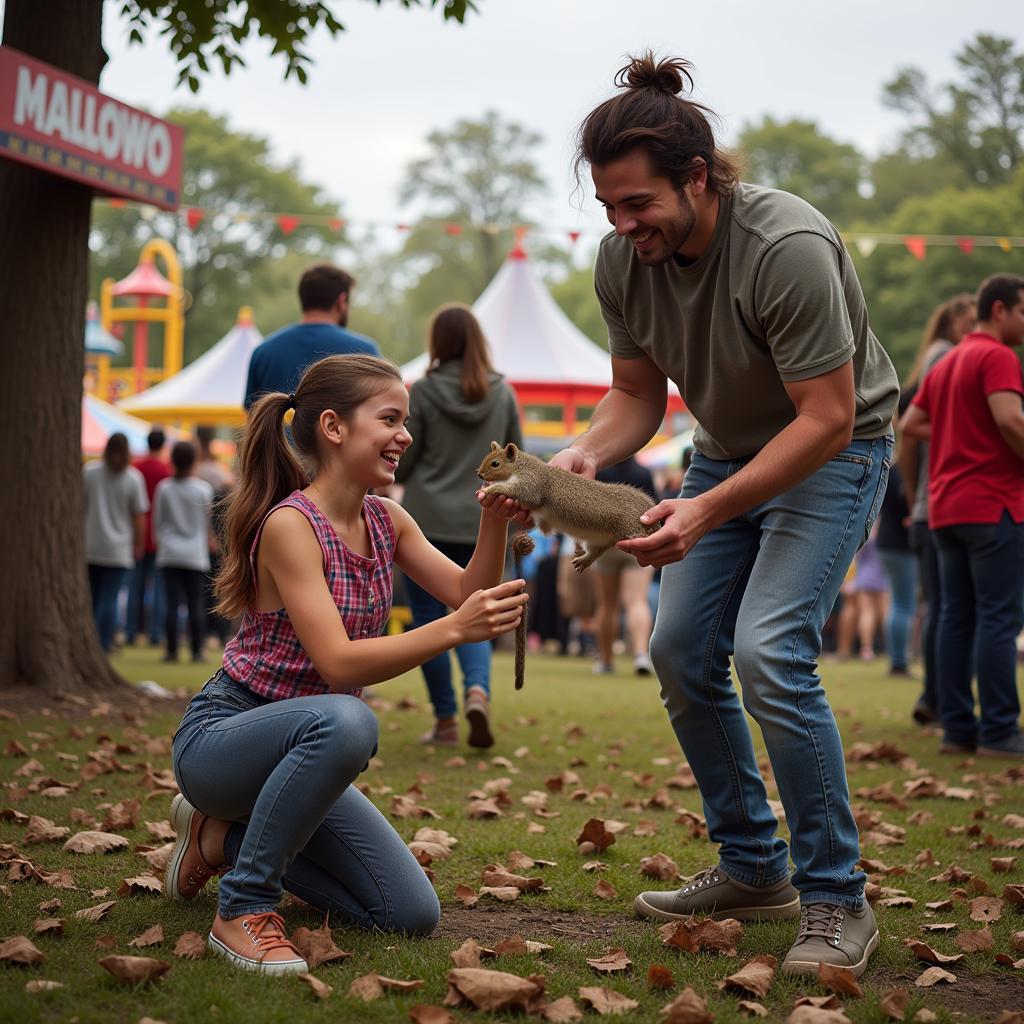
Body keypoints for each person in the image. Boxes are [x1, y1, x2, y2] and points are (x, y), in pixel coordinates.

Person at [553, 53, 899, 977]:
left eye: (639, 206)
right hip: (723, 454)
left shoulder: (784, 247)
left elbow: (825, 417)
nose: (625, 228)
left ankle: (837, 899)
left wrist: (703, 508)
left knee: (770, 651)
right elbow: (635, 395)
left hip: (836, 450)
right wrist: (589, 451)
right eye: (610, 209)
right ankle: (753, 867)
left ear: (697, 179)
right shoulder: (623, 264)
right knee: (675, 651)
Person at [166, 354, 527, 974]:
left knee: (410, 914)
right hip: (225, 740)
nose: (405, 435)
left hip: (307, 750)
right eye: (390, 418)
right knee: (349, 721)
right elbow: (337, 664)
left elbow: (467, 590)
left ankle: (218, 839)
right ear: (334, 428)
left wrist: (491, 522)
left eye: (405, 420)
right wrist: (453, 631)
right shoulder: (290, 525)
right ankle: (244, 908)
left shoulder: (386, 519)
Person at [900, 274, 1024, 759]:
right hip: (993, 502)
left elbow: (911, 423)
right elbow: (1012, 419)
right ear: (999, 310)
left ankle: (956, 729)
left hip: (947, 508)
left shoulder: (949, 360)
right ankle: (998, 731)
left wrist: (958, 434)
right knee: (997, 618)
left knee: (955, 616)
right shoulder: (997, 356)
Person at [393, 304, 523, 748]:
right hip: (484, 518)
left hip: (426, 518)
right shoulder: (503, 393)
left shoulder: (423, 391)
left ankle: (446, 721)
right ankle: (477, 690)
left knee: (428, 620)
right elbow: (513, 459)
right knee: (478, 611)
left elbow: (405, 460)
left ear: (439, 343)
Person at [899, 294, 976, 723]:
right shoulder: (945, 358)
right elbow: (912, 433)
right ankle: (942, 698)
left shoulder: (937, 357)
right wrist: (915, 496)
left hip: (932, 500)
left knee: (941, 604)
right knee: (949, 606)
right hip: (942, 499)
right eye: (969, 323)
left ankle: (937, 697)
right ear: (952, 325)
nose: (974, 331)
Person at [243, 263, 380, 409]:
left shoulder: (263, 352)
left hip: (275, 433)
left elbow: (251, 413)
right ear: (341, 301)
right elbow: (378, 409)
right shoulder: (365, 352)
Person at [592, 455, 658, 675]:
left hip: (605, 544)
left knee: (607, 605)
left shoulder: (601, 472)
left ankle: (606, 661)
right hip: (637, 541)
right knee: (637, 600)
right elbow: (652, 509)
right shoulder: (643, 473)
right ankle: (640, 654)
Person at [84, 433, 149, 653]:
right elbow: (138, 517)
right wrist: (138, 545)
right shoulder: (133, 478)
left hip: (90, 545)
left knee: (92, 598)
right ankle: (104, 642)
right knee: (110, 598)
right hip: (119, 548)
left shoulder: (90, 472)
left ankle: (89, 642)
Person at [155, 441, 214, 664]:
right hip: (195, 554)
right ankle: (197, 650)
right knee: (195, 604)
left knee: (171, 604)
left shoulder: (164, 487)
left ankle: (171, 650)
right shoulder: (203, 489)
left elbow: (158, 521)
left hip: (169, 552)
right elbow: (207, 522)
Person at [126, 428, 170, 646]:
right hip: (159, 536)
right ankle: (155, 632)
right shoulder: (165, 470)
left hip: (136, 535)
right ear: (162, 445)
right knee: (159, 588)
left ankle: (130, 632)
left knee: (135, 586)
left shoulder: (136, 468)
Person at [194, 426, 234, 648]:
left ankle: (210, 633)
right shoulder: (221, 475)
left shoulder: (198, 473)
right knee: (220, 590)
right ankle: (219, 633)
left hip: (204, 541)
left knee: (205, 591)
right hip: (221, 542)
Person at [876, 461, 916, 676]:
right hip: (901, 545)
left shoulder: (890, 469)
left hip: (887, 543)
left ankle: (897, 659)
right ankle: (899, 662)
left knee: (898, 603)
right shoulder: (902, 472)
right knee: (903, 604)